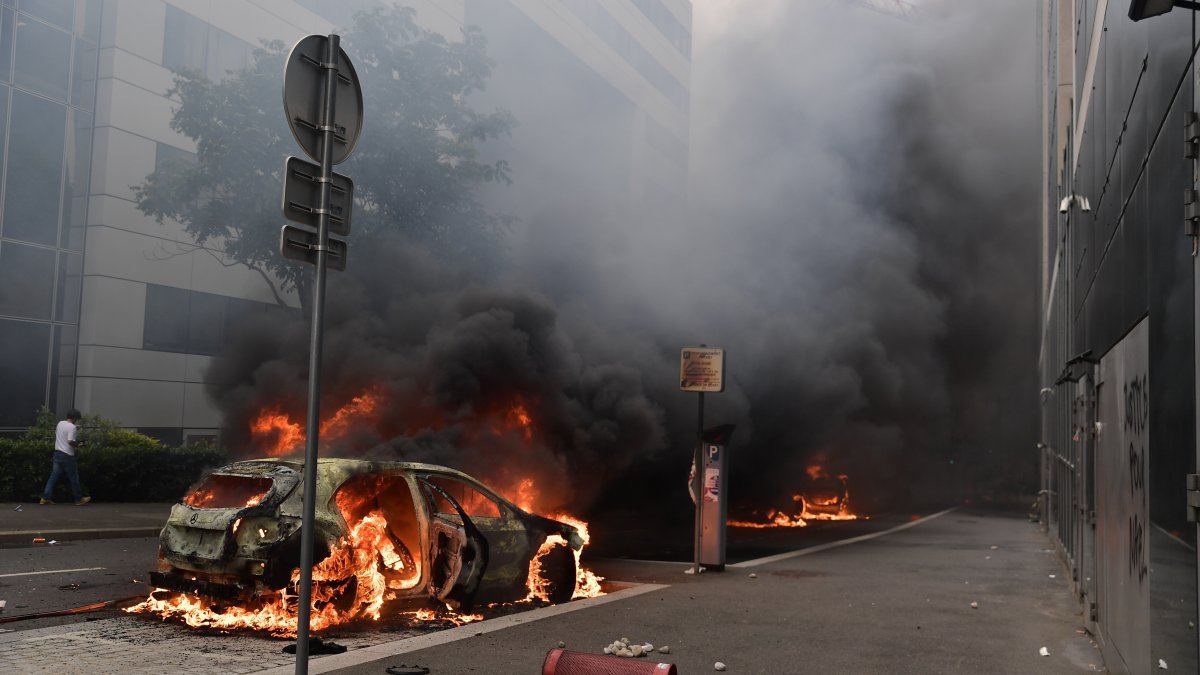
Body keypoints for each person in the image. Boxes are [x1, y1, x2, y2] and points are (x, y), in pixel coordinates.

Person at [40, 409, 91, 505]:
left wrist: (75, 428)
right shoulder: (71, 427)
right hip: (67, 455)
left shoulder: (60, 423)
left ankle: (45, 498)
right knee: (74, 477)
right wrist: (79, 445)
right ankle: (78, 499)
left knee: (53, 476)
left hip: (57, 453)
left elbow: (66, 429)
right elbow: (70, 441)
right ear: (75, 418)